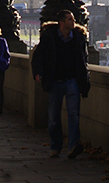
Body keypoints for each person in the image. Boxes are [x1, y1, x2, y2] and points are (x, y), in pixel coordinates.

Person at [31, 9, 90, 159]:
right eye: (70, 19)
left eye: (73, 19)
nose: (73, 22)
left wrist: (84, 80)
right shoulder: (49, 37)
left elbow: (83, 60)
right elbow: (38, 57)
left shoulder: (78, 38)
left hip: (72, 81)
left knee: (73, 115)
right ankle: (55, 146)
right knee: (53, 117)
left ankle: (73, 146)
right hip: (55, 81)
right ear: (61, 23)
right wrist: (38, 72)